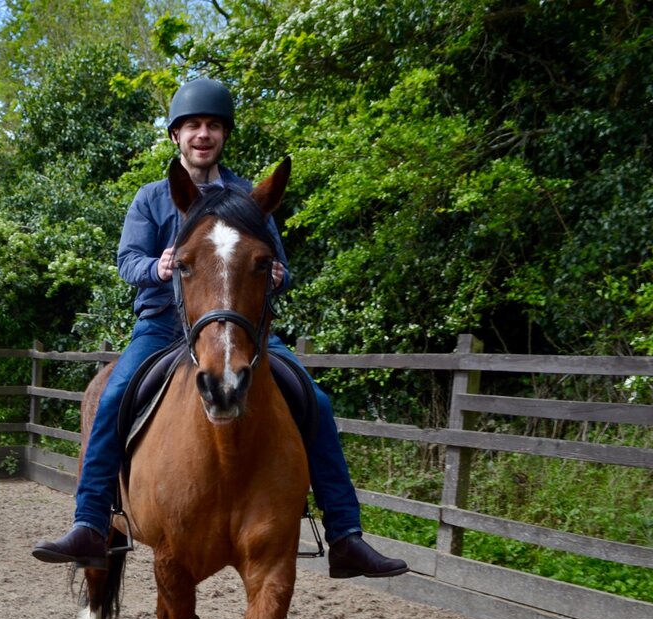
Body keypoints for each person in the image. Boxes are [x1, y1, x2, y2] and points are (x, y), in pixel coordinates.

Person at [32, 78, 407, 579]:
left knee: (315, 401)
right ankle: (91, 522)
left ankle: (345, 534)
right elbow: (127, 260)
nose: (202, 134)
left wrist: (277, 274)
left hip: (237, 327)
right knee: (113, 395)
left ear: (224, 135)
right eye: (192, 126)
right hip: (164, 325)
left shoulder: (246, 198)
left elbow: (278, 264)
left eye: (212, 126)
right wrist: (157, 268)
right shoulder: (151, 199)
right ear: (175, 137)